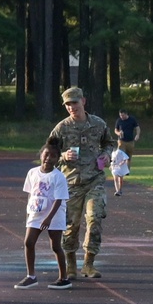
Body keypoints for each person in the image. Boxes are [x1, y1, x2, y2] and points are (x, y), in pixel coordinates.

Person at [48, 87, 114, 279]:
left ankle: (89, 264)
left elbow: (108, 143)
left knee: (94, 218)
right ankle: (70, 265)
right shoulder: (61, 128)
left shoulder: (98, 124)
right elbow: (47, 153)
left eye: (74, 103)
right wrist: (62, 155)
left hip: (95, 179)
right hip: (71, 183)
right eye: (68, 104)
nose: (71, 107)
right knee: (71, 226)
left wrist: (107, 155)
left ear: (83, 101)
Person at [14, 139, 71, 290]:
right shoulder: (32, 173)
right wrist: (29, 213)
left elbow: (59, 200)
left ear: (57, 159)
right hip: (36, 213)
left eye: (52, 156)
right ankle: (31, 276)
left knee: (56, 246)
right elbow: (30, 194)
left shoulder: (58, 177)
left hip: (54, 214)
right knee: (28, 242)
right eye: (46, 154)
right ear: (41, 155)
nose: (48, 158)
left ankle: (64, 277)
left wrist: (49, 218)